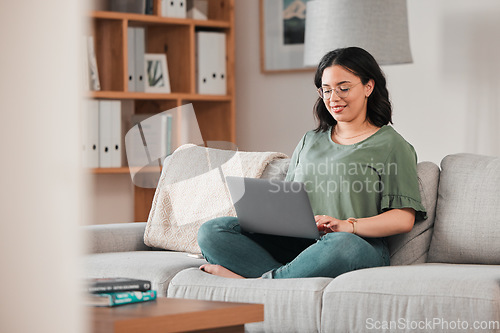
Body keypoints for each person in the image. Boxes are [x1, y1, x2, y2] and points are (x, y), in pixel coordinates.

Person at [197, 47, 427, 279]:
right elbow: (287, 201)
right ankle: (279, 279)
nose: (333, 98)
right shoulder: (310, 140)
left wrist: (347, 225)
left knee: (342, 243)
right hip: (299, 245)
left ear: (369, 86)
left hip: (354, 245)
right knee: (212, 231)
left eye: (343, 88)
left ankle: (257, 282)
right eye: (326, 90)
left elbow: (403, 218)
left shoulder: (392, 145)